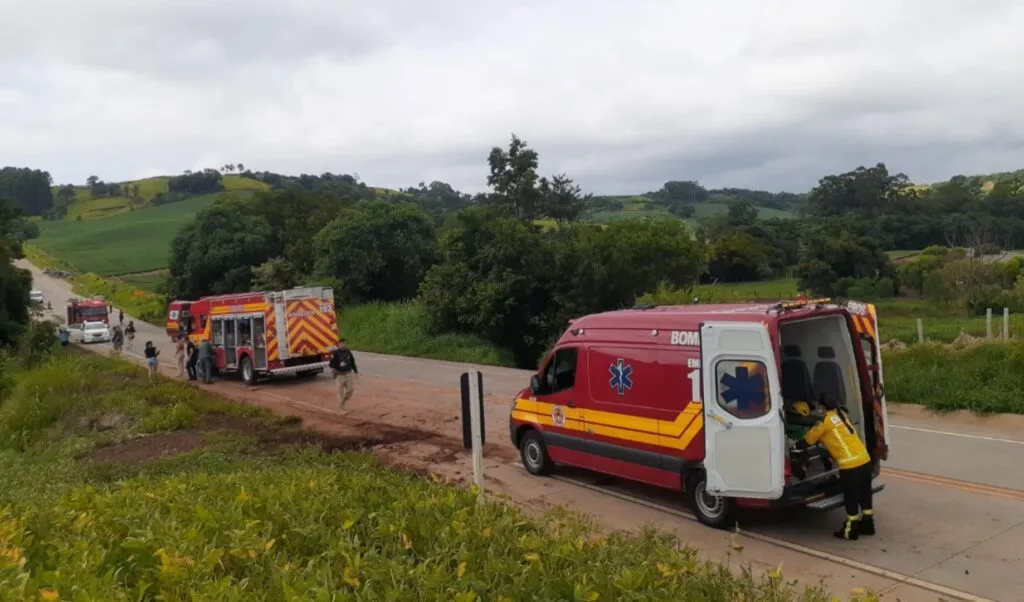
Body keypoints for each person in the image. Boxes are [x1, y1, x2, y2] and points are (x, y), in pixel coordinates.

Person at [794, 394, 875, 540]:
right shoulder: (842, 414)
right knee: (864, 494)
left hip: (850, 465)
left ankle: (851, 530)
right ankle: (868, 524)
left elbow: (810, 440)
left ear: (822, 407)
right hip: (864, 459)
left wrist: (795, 446)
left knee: (851, 497)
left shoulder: (825, 421)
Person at [329, 339, 359, 414]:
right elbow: (331, 364)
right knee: (340, 393)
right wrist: (339, 365)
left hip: (348, 374)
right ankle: (342, 409)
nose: (343, 345)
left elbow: (352, 361)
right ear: (338, 344)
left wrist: (355, 371)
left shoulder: (348, 352)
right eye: (342, 344)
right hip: (339, 375)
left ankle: (342, 402)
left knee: (350, 390)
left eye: (345, 344)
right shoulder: (335, 353)